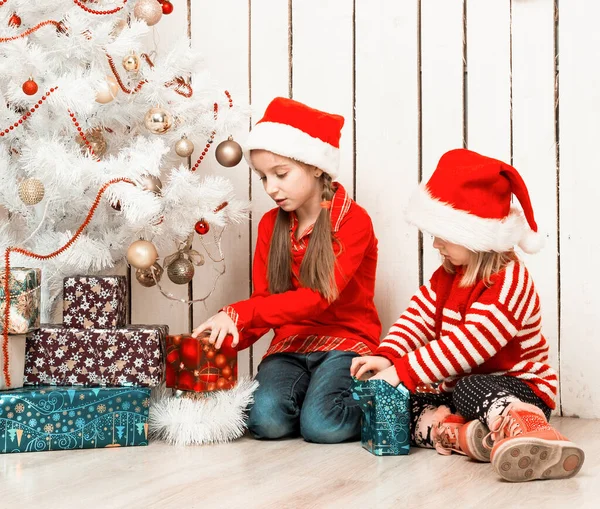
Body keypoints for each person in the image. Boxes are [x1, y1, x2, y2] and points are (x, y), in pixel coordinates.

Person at [351, 148, 584, 482]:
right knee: (406, 400)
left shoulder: (511, 281)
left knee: (466, 386)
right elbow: (418, 317)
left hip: (520, 386)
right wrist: (387, 356)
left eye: (442, 236)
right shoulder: (448, 275)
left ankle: (528, 424)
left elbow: (470, 344)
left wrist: (402, 369)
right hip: (464, 387)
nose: (435, 246)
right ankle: (467, 436)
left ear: (473, 235)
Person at [192, 97, 381, 443]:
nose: (270, 188)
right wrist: (227, 338)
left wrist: (235, 313)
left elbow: (316, 300)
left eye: (280, 174)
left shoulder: (352, 221)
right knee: (266, 422)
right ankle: (311, 398)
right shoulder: (271, 225)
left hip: (345, 343)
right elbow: (266, 302)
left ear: (315, 167)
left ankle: (379, 401)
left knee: (322, 426)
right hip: (290, 346)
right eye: (263, 177)